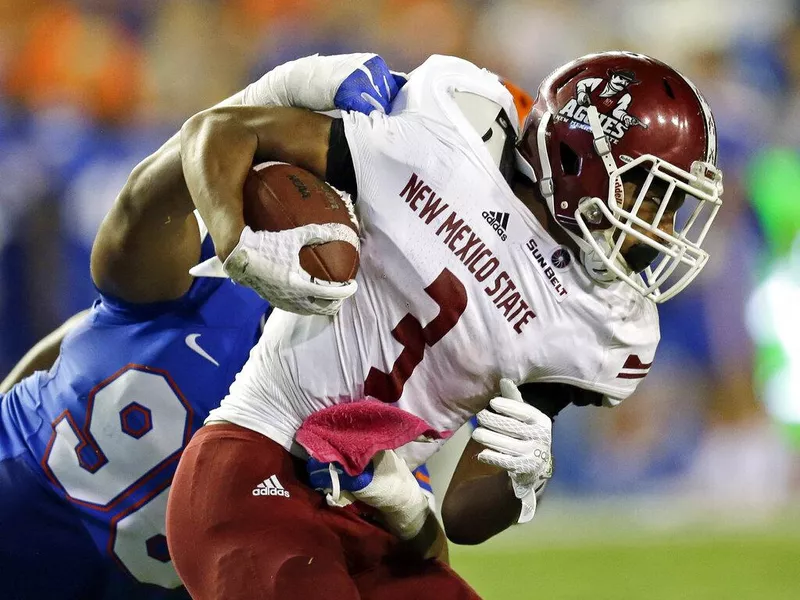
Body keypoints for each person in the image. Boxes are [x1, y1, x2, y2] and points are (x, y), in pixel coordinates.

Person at [165, 50, 722, 599]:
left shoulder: (598, 318)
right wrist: (233, 239)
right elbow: (219, 131)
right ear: (579, 159)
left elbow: (462, 515)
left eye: (674, 205)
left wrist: (526, 474)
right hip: (256, 458)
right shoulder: (447, 141)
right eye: (655, 195)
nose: (664, 226)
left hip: (374, 516)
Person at [0, 53, 404, 600]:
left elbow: (413, 565)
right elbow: (147, 199)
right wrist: (269, 98)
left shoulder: (362, 384)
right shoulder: (191, 277)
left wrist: (411, 508)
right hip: (23, 499)